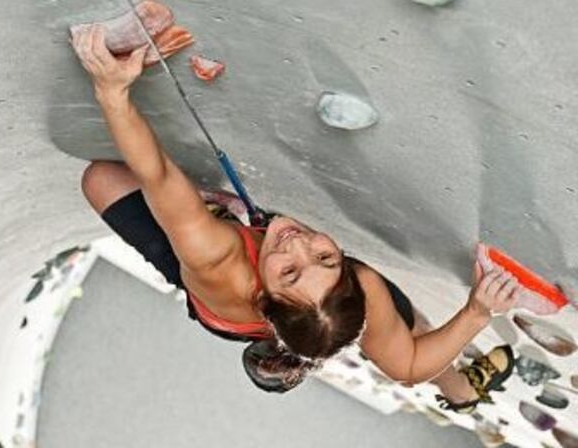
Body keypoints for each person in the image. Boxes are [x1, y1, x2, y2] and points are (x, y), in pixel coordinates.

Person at [71, 24, 519, 412]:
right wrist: (476, 312)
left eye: (289, 271)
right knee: (404, 327)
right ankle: (462, 392)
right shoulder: (355, 283)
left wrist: (111, 91)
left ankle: (459, 391)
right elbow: (406, 367)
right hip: (290, 303)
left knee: (100, 181)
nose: (298, 241)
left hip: (214, 292)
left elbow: (160, 174)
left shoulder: (213, 258)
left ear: (264, 298)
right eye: (326, 258)